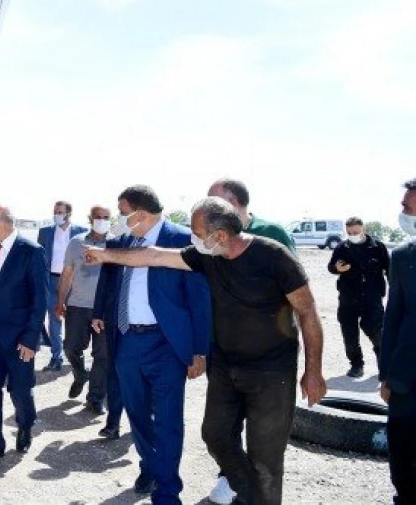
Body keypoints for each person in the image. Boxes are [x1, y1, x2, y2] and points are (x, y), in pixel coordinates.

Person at [88, 196, 327, 505]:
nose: (193, 238)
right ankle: (254, 495)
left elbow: (307, 312)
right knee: (215, 436)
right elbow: (155, 256)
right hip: (226, 367)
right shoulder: (207, 256)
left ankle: (261, 498)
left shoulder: (274, 257)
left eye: (198, 233)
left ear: (220, 236)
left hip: (271, 372)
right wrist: (105, 255)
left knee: (266, 454)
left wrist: (313, 370)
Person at [90, 186, 211, 504]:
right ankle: (151, 467)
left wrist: (200, 350)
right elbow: (112, 285)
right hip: (128, 341)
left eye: (122, 212)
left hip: (166, 344)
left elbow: (199, 299)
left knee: (168, 420)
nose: (118, 219)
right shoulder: (124, 242)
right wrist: (101, 315)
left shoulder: (183, 240)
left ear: (140, 215)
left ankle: (168, 493)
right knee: (137, 415)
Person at [205, 178, 295, 504]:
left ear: (236, 204)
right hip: (225, 351)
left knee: (263, 437)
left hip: (268, 361)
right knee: (221, 427)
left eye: (215, 202)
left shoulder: (273, 235)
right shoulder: (210, 241)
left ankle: (257, 491)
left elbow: (295, 295)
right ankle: (232, 477)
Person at [0, 203, 48, 461]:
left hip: (19, 340)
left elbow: (39, 301)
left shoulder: (32, 252)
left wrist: (30, 340)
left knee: (20, 390)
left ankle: (25, 425)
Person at [55, 205, 113, 414]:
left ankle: (95, 398)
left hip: (105, 310)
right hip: (78, 306)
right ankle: (80, 374)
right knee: (70, 347)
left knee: (103, 355)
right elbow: (67, 273)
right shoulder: (76, 242)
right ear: (90, 218)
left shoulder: (115, 245)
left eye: (106, 217)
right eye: (98, 217)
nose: (102, 220)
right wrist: (60, 301)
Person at [381, 178, 416, 504]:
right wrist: (385, 374)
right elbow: (393, 318)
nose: (402, 212)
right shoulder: (403, 256)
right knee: (403, 457)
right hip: (406, 379)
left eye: (407, 206)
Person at [328, 216, 389, 378]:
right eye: (349, 232)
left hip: (372, 297)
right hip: (348, 297)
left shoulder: (378, 247)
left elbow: (390, 271)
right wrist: (338, 269)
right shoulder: (342, 248)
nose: (353, 234)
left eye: (356, 231)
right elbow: (331, 267)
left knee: (377, 331)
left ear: (364, 229)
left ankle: (384, 365)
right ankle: (356, 365)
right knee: (349, 334)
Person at [37, 200, 87, 371]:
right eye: (55, 211)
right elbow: (40, 257)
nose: (56, 215)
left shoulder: (81, 232)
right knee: (54, 318)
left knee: (75, 319)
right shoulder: (45, 232)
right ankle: (56, 357)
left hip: (74, 281)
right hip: (51, 280)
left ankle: (77, 358)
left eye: (60, 212)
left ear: (68, 214)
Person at [208, 178, 295, 252]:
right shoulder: (213, 237)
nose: (207, 208)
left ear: (233, 202)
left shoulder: (273, 233)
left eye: (213, 202)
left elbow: (293, 269)